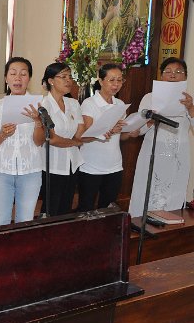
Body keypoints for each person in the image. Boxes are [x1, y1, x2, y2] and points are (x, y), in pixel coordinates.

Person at [129, 58, 194, 217]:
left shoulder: (189, 100)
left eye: (178, 72)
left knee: (173, 195)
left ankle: (169, 227)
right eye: (168, 71)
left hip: (178, 155)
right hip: (154, 152)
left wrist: (191, 108)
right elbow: (139, 130)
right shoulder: (149, 97)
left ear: (185, 76)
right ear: (161, 75)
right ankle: (141, 223)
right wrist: (151, 121)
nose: (173, 75)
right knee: (148, 191)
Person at [0, 57, 44, 226]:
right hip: (2, 171)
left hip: (31, 171)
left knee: (25, 220)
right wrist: (2, 134)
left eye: (23, 74)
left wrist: (38, 121)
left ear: (29, 78)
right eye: (13, 73)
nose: (18, 78)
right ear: (6, 78)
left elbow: (39, 141)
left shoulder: (40, 105)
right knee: (0, 220)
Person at [77, 63, 128, 212]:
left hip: (115, 165)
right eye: (112, 80)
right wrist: (110, 130)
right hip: (91, 166)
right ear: (101, 81)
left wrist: (131, 131)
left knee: (108, 210)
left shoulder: (120, 104)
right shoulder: (89, 103)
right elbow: (85, 135)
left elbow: (121, 137)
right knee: (86, 209)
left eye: (119, 80)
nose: (116, 84)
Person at [39, 62, 85, 216]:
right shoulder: (43, 105)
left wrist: (75, 140)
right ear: (51, 81)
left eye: (70, 77)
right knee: (51, 209)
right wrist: (74, 142)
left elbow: (80, 129)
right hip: (52, 164)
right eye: (63, 77)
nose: (68, 81)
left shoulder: (73, 103)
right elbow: (52, 139)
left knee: (66, 208)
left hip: (72, 162)